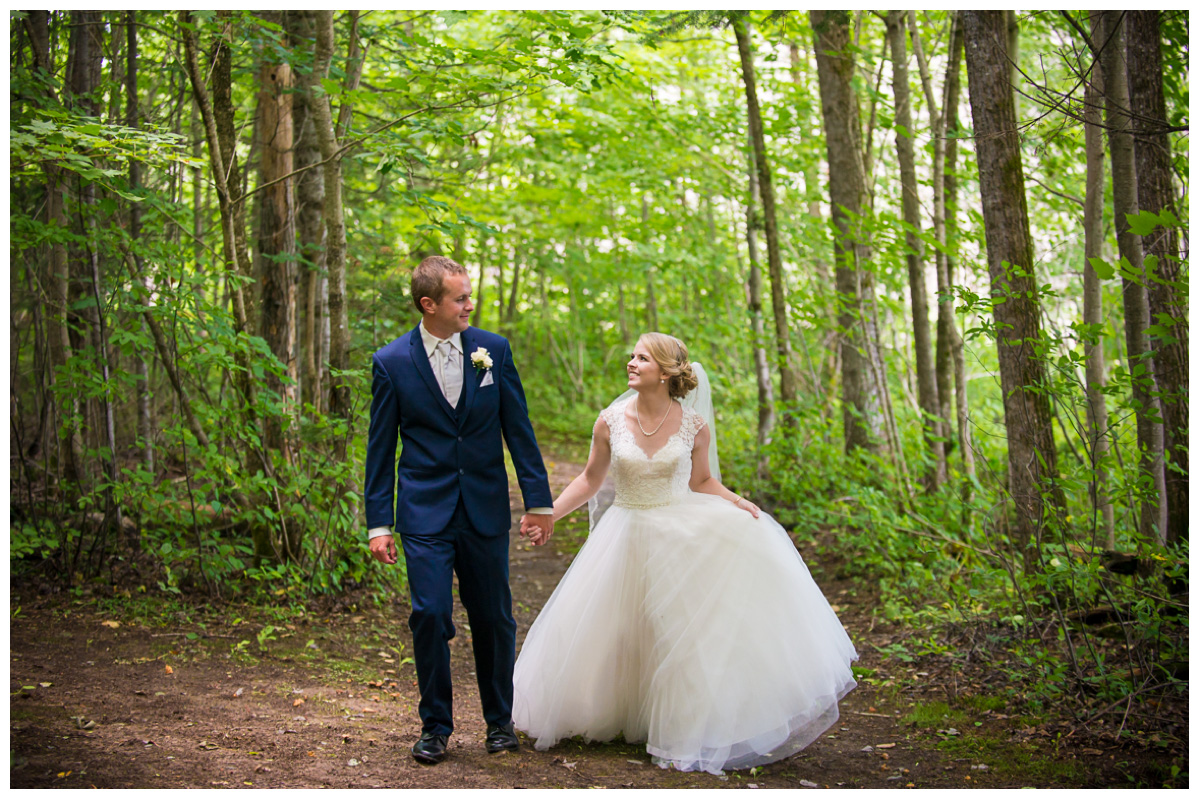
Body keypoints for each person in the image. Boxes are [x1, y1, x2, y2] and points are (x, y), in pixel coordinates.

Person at [513, 333, 858, 775]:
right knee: (619, 625)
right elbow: (589, 479)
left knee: (675, 630)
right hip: (625, 530)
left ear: (666, 371)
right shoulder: (610, 421)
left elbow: (702, 482)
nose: (631, 362)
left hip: (679, 531)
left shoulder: (694, 424)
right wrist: (548, 515)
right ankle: (617, 712)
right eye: (633, 356)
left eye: (642, 357)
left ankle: (680, 726)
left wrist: (738, 502)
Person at [365, 255, 555, 765]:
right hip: (424, 511)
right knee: (428, 614)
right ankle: (435, 727)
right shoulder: (391, 362)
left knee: (493, 617)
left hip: (484, 507)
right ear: (429, 304)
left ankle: (499, 722)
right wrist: (378, 523)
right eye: (460, 298)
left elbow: (519, 429)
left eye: (469, 295)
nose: (470, 304)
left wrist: (539, 502)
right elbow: (381, 449)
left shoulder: (493, 350)